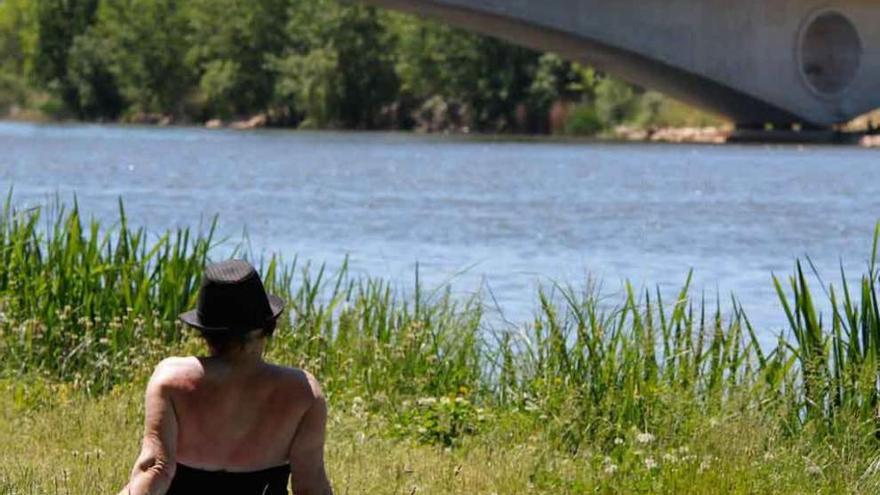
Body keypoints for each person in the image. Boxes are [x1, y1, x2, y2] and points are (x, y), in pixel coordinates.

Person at [118, 260, 333, 495]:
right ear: (267, 326)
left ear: (204, 330)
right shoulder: (303, 392)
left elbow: (156, 469)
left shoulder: (170, 380)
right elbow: (310, 486)